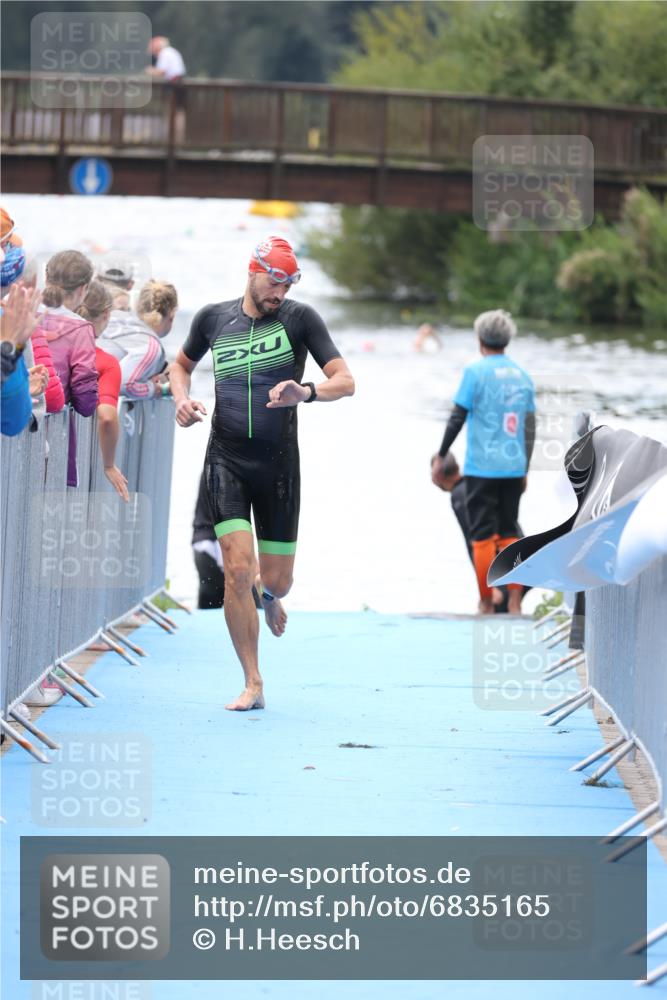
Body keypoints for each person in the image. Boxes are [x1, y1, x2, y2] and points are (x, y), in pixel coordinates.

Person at [171, 236, 355, 711]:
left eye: (290, 283)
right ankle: (253, 681)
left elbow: (346, 381)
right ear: (252, 270)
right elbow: (180, 366)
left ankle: (268, 593)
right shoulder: (213, 318)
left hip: (277, 467)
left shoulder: (300, 320)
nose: (281, 292)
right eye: (275, 280)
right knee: (235, 570)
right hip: (225, 460)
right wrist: (181, 400)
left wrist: (307, 392)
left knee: (278, 579)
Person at [432, 309, 535, 615]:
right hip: (513, 466)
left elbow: (457, 416)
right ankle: (515, 601)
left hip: (481, 467)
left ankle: (487, 601)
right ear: (508, 340)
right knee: (509, 534)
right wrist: (525, 467)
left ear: (480, 340)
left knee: (482, 538)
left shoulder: (475, 373)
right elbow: (530, 427)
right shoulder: (523, 376)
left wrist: (441, 453)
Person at [431, 451, 530, 614]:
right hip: (520, 558)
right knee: (508, 616)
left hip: (506, 569)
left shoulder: (460, 495)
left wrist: (492, 587)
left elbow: (476, 542)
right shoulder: (474, 487)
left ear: (438, 476)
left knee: (492, 618)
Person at [32, 250, 99, 486]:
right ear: (83, 288)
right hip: (53, 431)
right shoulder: (80, 329)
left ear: (46, 277)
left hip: (16, 419)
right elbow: (85, 397)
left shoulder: (22, 311)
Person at [77, 280, 129, 502]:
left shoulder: (45, 342)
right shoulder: (105, 363)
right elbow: (107, 417)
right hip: (72, 465)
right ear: (106, 314)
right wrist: (108, 464)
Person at [192, 470, 262, 610]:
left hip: (202, 544)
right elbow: (231, 522)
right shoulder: (231, 469)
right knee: (252, 601)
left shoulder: (214, 462)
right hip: (216, 545)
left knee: (209, 607)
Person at [97, 280, 176, 400]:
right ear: (171, 315)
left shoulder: (118, 321)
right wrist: (155, 389)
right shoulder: (150, 346)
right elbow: (123, 384)